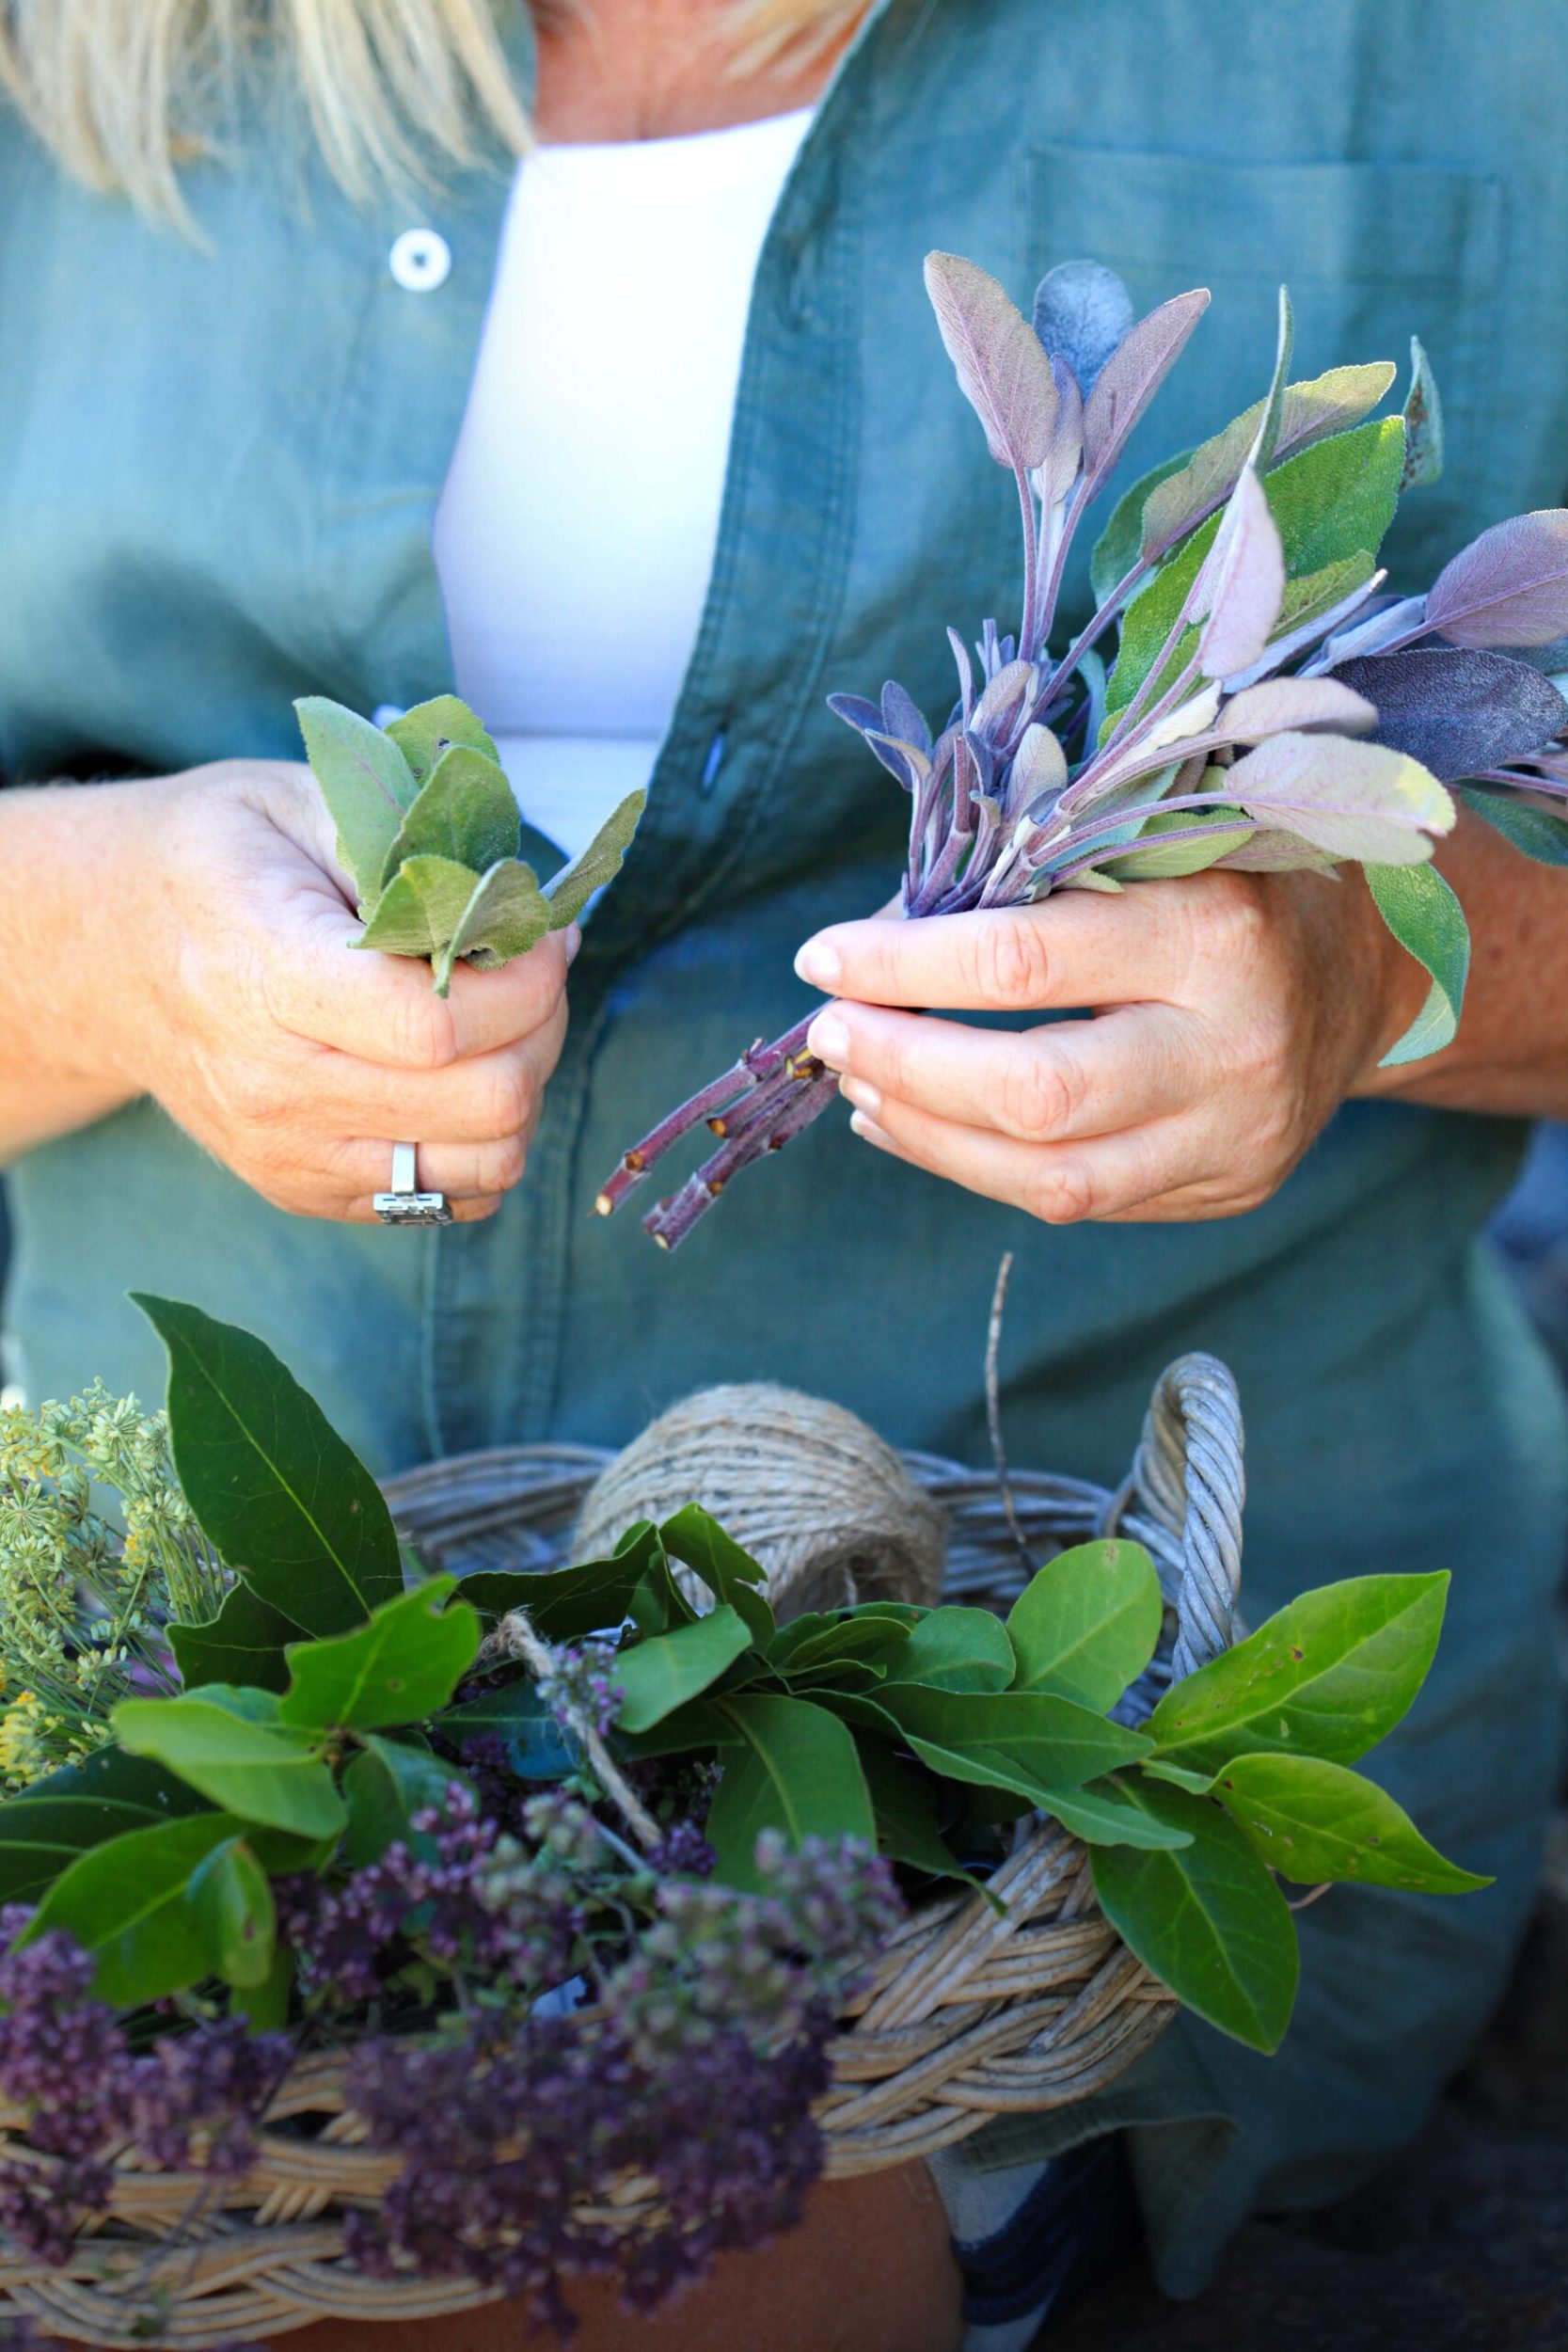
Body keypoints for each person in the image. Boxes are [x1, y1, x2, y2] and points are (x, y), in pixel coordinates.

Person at [3, 2, 1567, 2345]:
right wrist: (96, 939)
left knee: (538, 2253)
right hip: (165, 1695)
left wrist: (1351, 968)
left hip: (1024, 1764)